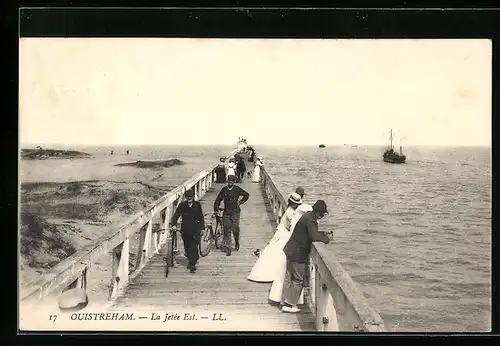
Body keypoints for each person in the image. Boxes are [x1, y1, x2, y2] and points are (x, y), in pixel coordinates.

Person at [281, 200, 331, 313]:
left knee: (289, 277)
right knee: (298, 279)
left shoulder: (308, 216)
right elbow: (313, 235)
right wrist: (326, 239)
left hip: (290, 250)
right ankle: (290, 305)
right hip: (298, 254)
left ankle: (283, 301)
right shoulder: (311, 220)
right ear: (319, 213)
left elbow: (310, 233)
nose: (322, 216)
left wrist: (322, 234)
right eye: (322, 214)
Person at [268, 187, 312, 303]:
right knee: (291, 274)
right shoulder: (292, 215)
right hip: (291, 246)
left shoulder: (291, 213)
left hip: (288, 245)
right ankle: (290, 300)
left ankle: (283, 298)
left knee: (286, 274)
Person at [247, 193, 303, 283]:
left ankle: (274, 273)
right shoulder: (290, 212)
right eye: (296, 204)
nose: (297, 205)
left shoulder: (290, 210)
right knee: (278, 253)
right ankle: (272, 274)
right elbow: (293, 225)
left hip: (282, 232)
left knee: (274, 253)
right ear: (292, 203)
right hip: (284, 234)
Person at [169, 190, 205, 273]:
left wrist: (202, 228)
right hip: (185, 229)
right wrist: (173, 224)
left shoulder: (197, 205)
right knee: (187, 247)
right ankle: (191, 260)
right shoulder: (182, 205)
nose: (189, 198)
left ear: (193, 197)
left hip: (195, 229)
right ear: (185, 197)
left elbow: (201, 217)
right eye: (188, 197)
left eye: (191, 197)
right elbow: (176, 215)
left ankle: (192, 264)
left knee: (194, 246)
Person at [213, 175, 250, 256]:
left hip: (235, 212)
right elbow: (218, 200)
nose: (230, 183)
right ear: (227, 181)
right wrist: (216, 209)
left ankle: (237, 242)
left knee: (235, 228)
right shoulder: (224, 190)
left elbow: (246, 195)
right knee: (227, 228)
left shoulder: (237, 189)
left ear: (233, 182)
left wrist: (240, 202)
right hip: (226, 212)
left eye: (232, 182)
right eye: (229, 181)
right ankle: (228, 247)